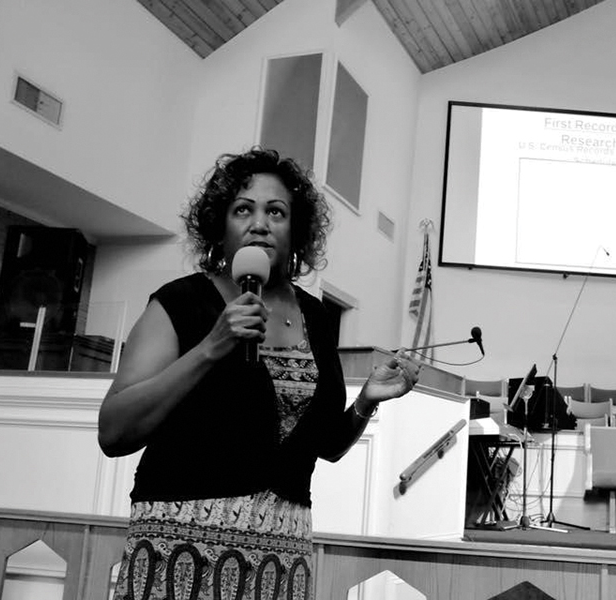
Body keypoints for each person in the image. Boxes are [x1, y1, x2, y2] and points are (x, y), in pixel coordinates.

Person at [98, 147, 420, 600]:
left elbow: (325, 445)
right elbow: (114, 431)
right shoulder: (182, 303)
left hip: (280, 559)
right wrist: (210, 347)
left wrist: (365, 402)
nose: (260, 223)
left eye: (276, 211)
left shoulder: (316, 317)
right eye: (243, 209)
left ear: (296, 230)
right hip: (182, 551)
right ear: (220, 226)